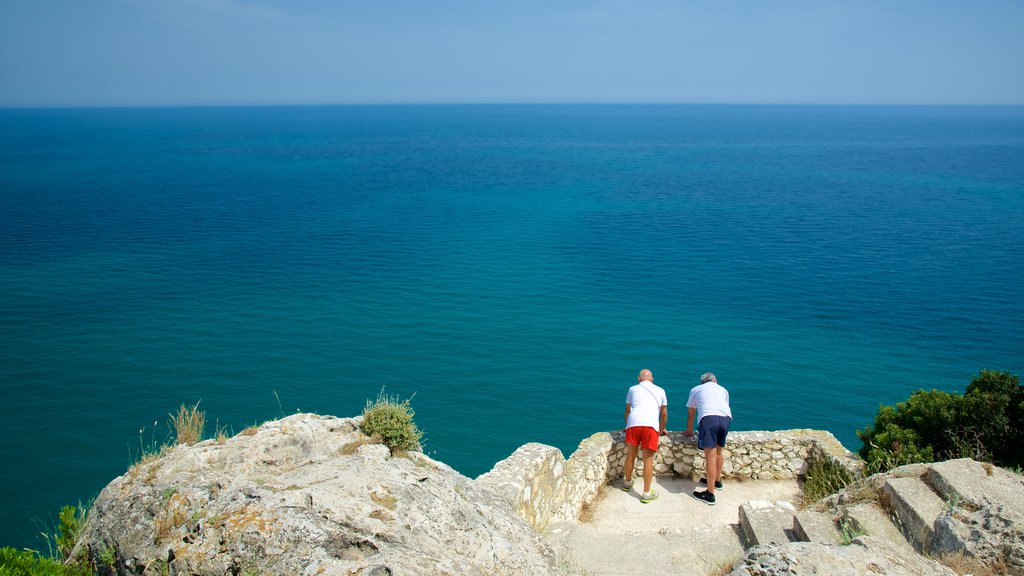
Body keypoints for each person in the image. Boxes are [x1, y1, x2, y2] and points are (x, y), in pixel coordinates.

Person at [683, 372, 732, 506]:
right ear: (715, 380)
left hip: (708, 418)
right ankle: (717, 481)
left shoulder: (696, 390)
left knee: (710, 457)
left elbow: (691, 414)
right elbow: (724, 406)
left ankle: (710, 494)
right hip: (726, 418)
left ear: (702, 382)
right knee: (718, 452)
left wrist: (689, 431)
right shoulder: (723, 390)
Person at [621, 369, 668, 503]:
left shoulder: (632, 389)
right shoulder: (660, 390)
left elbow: (627, 410)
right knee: (648, 460)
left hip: (633, 424)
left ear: (638, 379)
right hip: (650, 425)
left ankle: (627, 483)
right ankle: (646, 493)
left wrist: (627, 425)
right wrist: (662, 428)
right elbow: (664, 413)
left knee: (631, 455)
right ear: (652, 379)